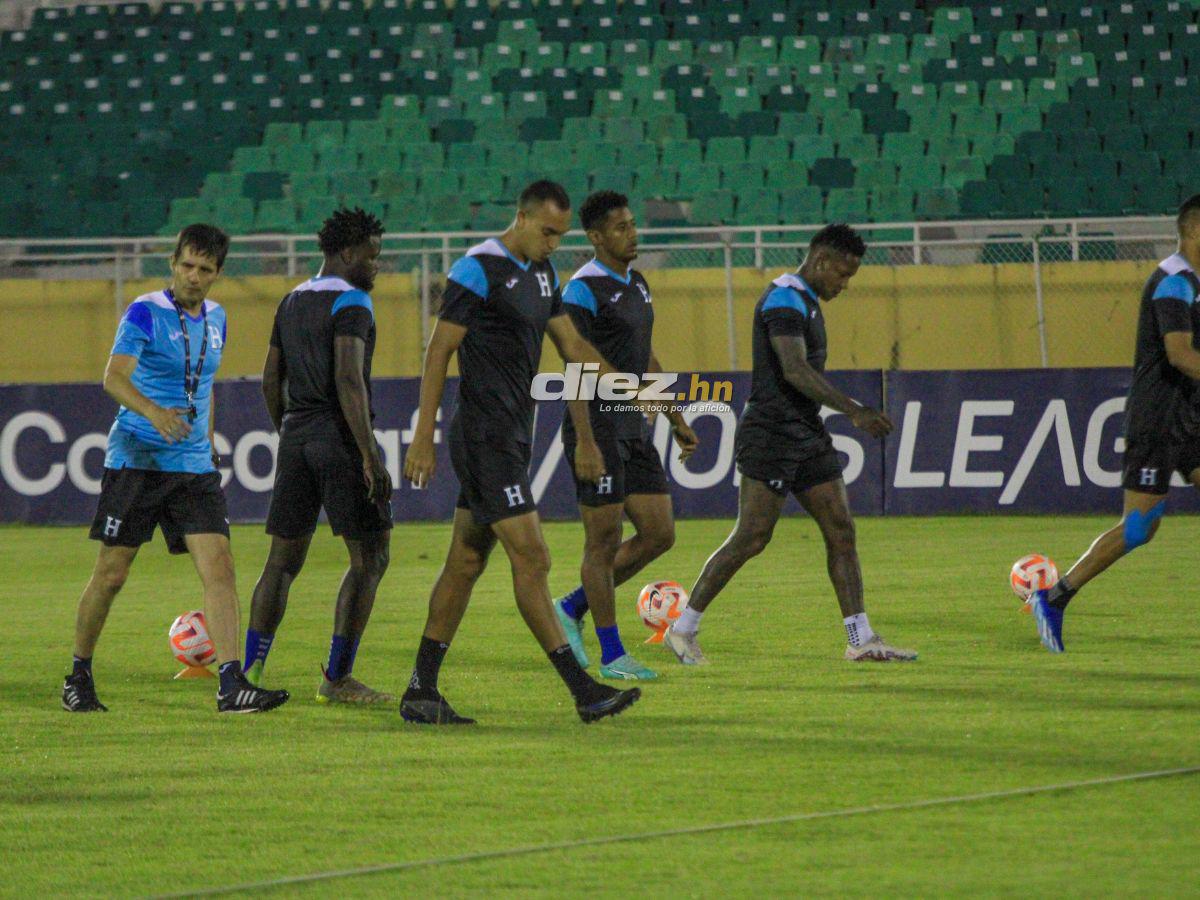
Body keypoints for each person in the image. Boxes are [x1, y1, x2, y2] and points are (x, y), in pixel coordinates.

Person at [401, 180, 641, 724]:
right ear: (523, 218)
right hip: (484, 436)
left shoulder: (542, 273)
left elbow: (573, 347)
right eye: (548, 232)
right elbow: (439, 351)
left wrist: (638, 391)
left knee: (465, 562)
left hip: (512, 436)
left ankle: (420, 691)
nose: (555, 243)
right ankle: (583, 690)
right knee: (533, 558)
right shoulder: (478, 267)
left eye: (561, 235)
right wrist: (423, 436)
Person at [663, 224, 917, 665]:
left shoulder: (806, 300)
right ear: (820, 261)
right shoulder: (783, 298)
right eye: (842, 274)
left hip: (806, 432)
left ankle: (861, 639)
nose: (844, 284)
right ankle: (682, 630)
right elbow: (795, 370)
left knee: (841, 530)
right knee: (752, 536)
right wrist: (854, 410)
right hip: (771, 432)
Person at [61, 224, 290, 713]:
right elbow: (113, 379)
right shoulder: (144, 312)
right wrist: (155, 414)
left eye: (205, 269)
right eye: (187, 265)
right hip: (137, 459)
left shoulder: (218, 319)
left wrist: (206, 443)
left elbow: (202, 385)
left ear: (217, 274)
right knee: (112, 574)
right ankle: (78, 674)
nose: (194, 276)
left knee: (220, 569)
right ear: (173, 263)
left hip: (191, 467)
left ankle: (231, 684)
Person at [1030, 194, 1200, 652]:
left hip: (1189, 417)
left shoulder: (1193, 282)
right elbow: (1180, 354)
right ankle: (1054, 595)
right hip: (1160, 420)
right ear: (1195, 230)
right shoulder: (1174, 282)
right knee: (1140, 526)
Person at [243, 208, 395, 702]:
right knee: (371, 558)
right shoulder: (353, 303)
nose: (377, 266)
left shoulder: (290, 301)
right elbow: (348, 380)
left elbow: (271, 379)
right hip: (339, 439)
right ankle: (336, 678)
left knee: (282, 563)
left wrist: (289, 431)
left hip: (296, 437)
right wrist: (369, 455)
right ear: (348, 253)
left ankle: (250, 673)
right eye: (372, 257)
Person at [552, 190, 699, 681]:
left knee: (659, 532)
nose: (632, 233)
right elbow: (573, 364)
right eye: (620, 227)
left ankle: (571, 607)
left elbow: (644, 354)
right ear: (596, 237)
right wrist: (586, 442)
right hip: (596, 427)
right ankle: (613, 654)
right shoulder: (582, 289)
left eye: (633, 224)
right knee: (604, 540)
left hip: (634, 427)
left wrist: (676, 417)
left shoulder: (637, 283)